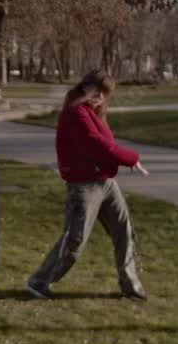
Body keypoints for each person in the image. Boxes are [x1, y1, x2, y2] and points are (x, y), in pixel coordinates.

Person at [25, 70, 149, 301]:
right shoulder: (75, 113)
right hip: (84, 186)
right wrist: (131, 158)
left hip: (106, 181)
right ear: (85, 86)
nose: (101, 96)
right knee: (75, 240)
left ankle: (130, 286)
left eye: (105, 93)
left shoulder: (92, 112)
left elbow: (105, 145)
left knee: (124, 231)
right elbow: (97, 144)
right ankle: (38, 282)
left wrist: (121, 160)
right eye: (98, 90)